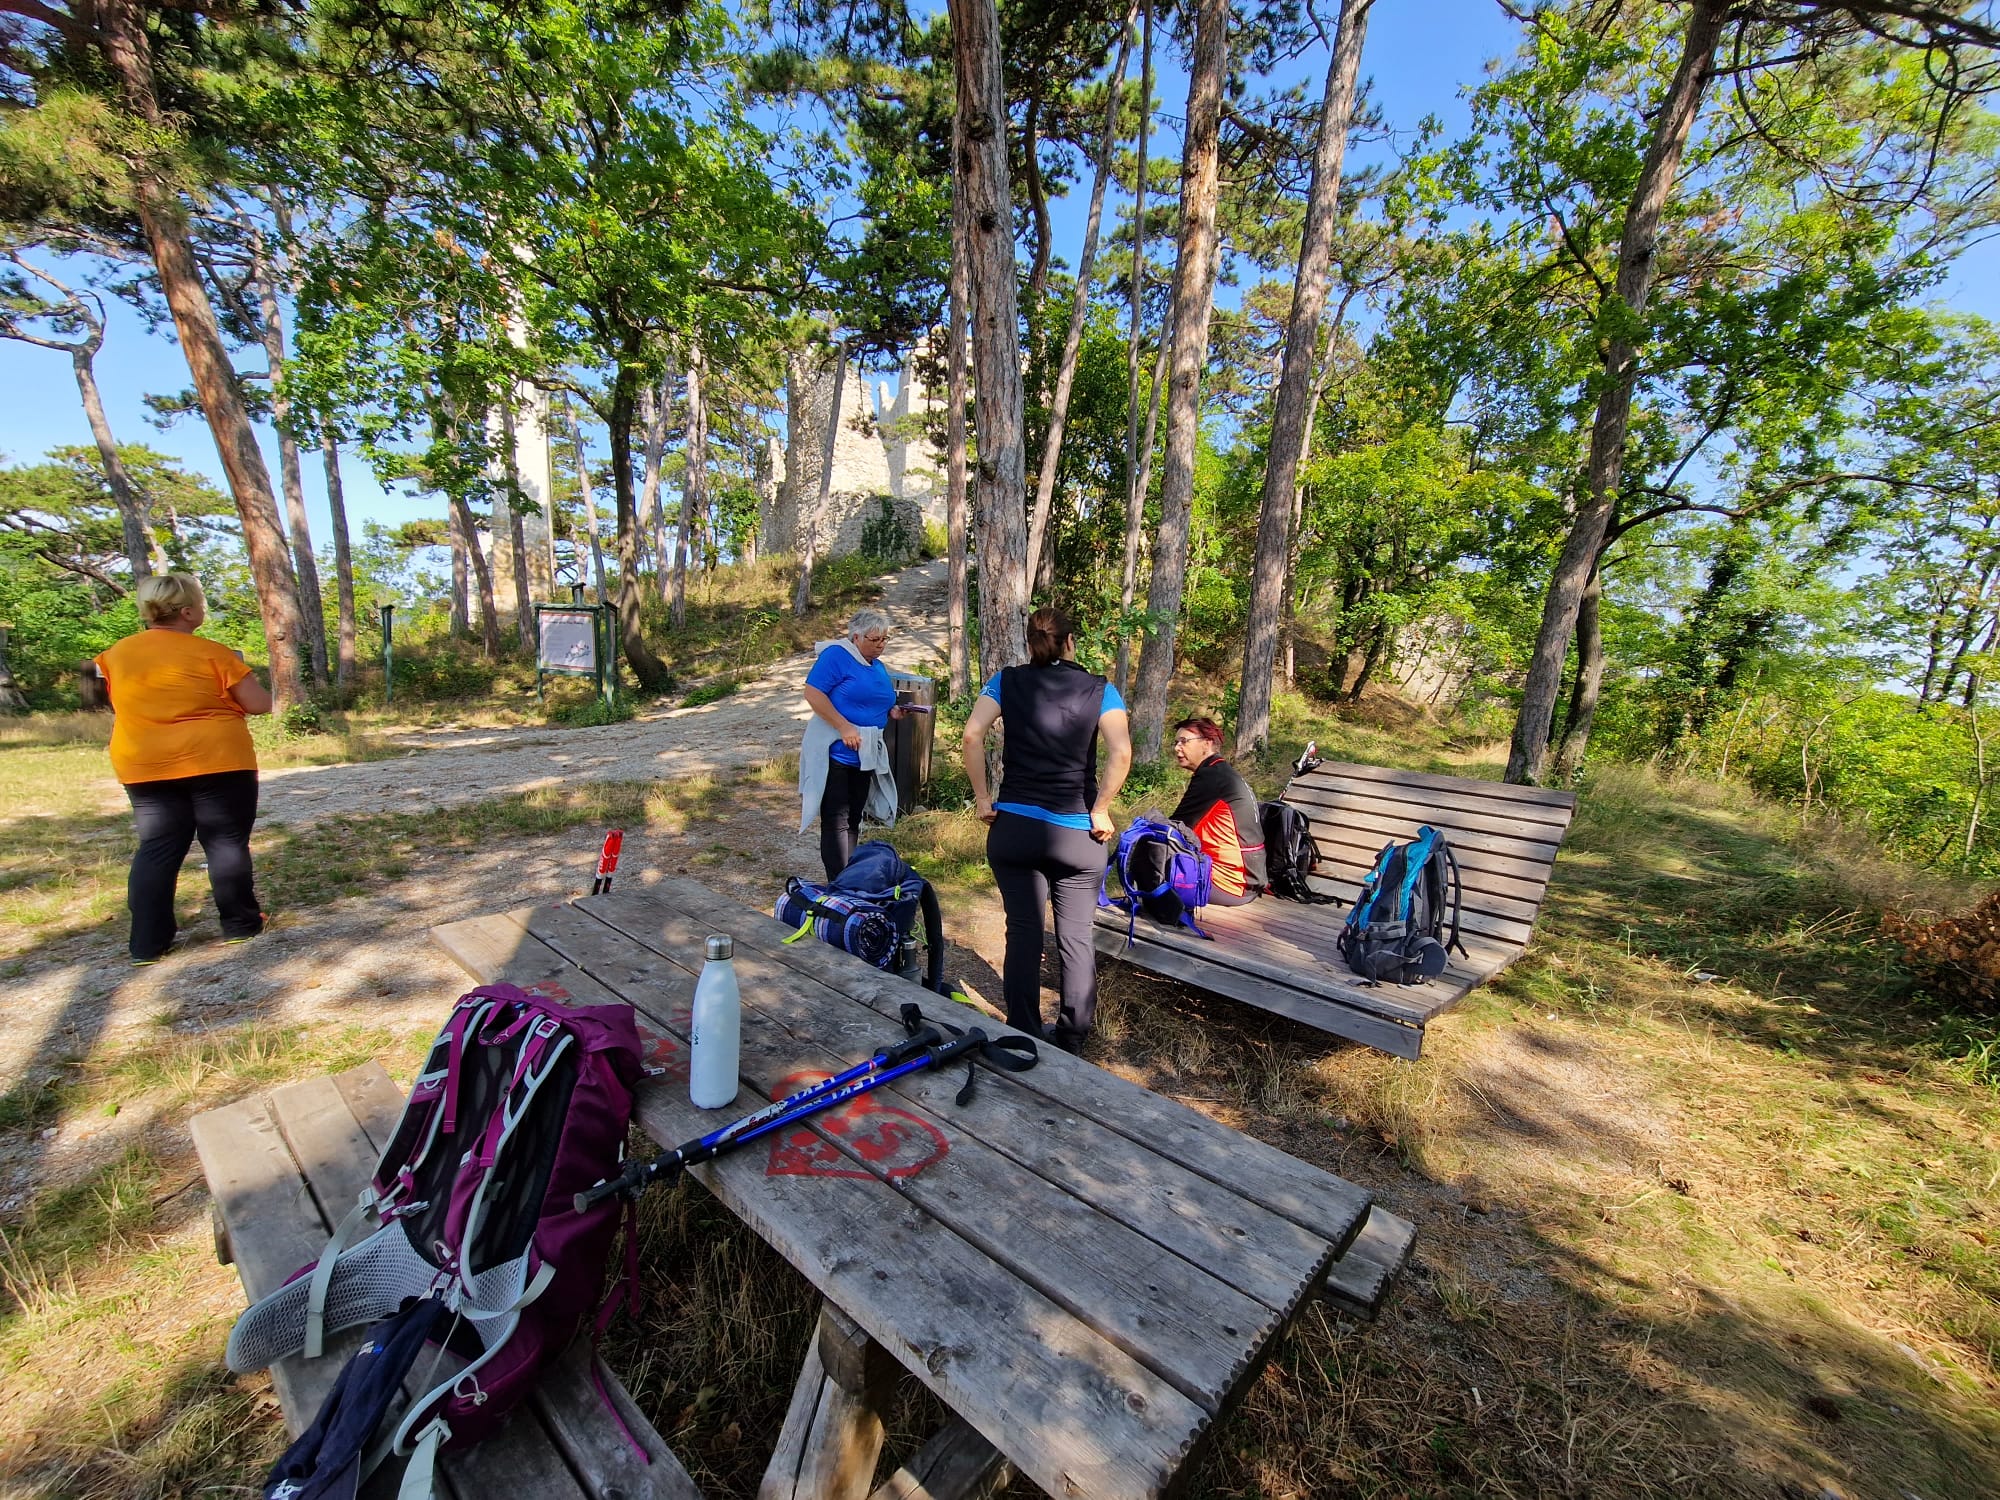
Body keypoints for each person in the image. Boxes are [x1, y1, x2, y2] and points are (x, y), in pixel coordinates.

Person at [962, 606, 1132, 1054]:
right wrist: (1101, 809)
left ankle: (1022, 1028)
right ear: (1071, 642)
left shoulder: (1006, 680)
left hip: (1015, 828)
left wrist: (984, 799)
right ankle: (1072, 1036)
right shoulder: (1101, 689)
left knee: (1022, 930)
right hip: (1079, 835)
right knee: (1075, 936)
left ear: (1031, 641)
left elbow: (972, 735)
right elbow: (1122, 752)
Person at [94, 573, 273, 965]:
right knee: (224, 841)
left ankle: (146, 943)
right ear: (189, 611)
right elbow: (259, 704)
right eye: (202, 605)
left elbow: (114, 701)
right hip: (217, 758)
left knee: (157, 847)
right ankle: (240, 924)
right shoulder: (214, 653)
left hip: (144, 761)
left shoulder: (113, 656)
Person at [800, 607, 906, 881]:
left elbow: (876, 701)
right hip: (837, 754)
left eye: (885, 639)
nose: (881, 645)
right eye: (875, 639)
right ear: (856, 637)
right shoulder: (837, 656)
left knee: (854, 818)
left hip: (865, 754)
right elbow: (812, 693)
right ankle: (838, 881)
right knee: (836, 821)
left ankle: (848, 876)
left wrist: (893, 711)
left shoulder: (877, 666)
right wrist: (843, 725)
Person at [1169, 716, 1267, 906]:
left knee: (1153, 848)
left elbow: (1175, 828)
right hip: (1248, 881)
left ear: (1207, 744)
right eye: (1176, 742)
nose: (1177, 748)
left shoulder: (1212, 777)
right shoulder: (1221, 772)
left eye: (1184, 741)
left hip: (1230, 885)